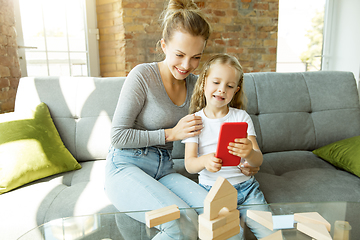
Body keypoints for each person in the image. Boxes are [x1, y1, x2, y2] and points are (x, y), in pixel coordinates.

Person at [104, 0, 259, 239]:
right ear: (164, 46)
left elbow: (218, 119)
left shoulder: (197, 86)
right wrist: (171, 134)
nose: (187, 65)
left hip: (164, 169)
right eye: (179, 55)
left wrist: (247, 158)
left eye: (196, 57)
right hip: (126, 165)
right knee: (176, 224)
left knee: (220, 216)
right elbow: (117, 136)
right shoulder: (142, 76)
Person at [182, 53, 274, 239]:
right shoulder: (194, 121)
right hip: (212, 192)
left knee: (270, 233)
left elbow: (258, 159)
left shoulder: (241, 117)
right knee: (233, 235)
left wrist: (249, 153)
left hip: (247, 189)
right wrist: (205, 161)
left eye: (229, 86)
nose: (222, 90)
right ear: (204, 83)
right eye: (216, 82)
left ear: (236, 90)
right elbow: (189, 164)